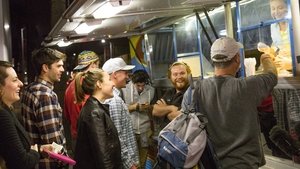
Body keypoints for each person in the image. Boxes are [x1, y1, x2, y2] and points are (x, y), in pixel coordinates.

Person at [192, 37, 277, 168]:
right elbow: (272, 75)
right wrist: (266, 57)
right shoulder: (246, 87)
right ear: (237, 58)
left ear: (213, 60)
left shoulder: (198, 88)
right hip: (243, 164)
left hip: (212, 164)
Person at [0, 61, 53, 169]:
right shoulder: (2, 115)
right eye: (14, 80)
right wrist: (35, 151)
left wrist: (39, 149)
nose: (21, 83)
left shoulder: (7, 111)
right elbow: (21, 162)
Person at [21, 48, 67, 169]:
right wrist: (65, 162)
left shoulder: (30, 89)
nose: (62, 69)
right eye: (58, 66)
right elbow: (52, 141)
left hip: (36, 161)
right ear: (45, 68)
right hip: (49, 164)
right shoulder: (45, 95)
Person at [73, 68, 122, 169]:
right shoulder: (94, 113)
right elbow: (102, 156)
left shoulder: (94, 109)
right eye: (109, 79)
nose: (113, 84)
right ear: (99, 84)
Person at [102, 57, 139, 169]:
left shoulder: (115, 97)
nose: (128, 77)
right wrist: (130, 164)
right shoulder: (114, 100)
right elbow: (117, 136)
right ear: (115, 75)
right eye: (125, 73)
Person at [122, 69, 157, 168]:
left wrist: (149, 107)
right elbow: (120, 109)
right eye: (138, 85)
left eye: (143, 85)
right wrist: (135, 107)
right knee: (131, 162)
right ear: (133, 82)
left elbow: (155, 108)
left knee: (143, 161)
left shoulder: (151, 90)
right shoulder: (124, 89)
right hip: (130, 131)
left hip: (145, 131)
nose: (141, 88)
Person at [64, 50, 99, 148]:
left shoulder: (70, 86)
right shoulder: (88, 86)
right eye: (98, 65)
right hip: (88, 139)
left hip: (75, 138)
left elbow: (67, 115)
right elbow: (92, 117)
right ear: (92, 65)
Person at [270, 0, 292, 75]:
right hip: (281, 69)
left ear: (288, 8)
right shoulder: (273, 26)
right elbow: (276, 47)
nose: (276, 12)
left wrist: (292, 64)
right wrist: (269, 51)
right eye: (273, 9)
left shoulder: (296, 22)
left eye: (280, 7)